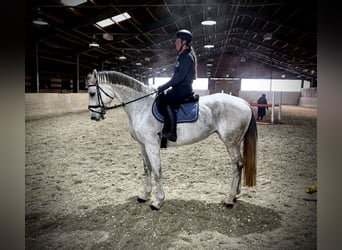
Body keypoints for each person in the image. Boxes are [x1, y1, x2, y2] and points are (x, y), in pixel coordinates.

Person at [157, 29, 198, 142]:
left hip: (183, 90)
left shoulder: (187, 57)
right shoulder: (182, 56)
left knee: (165, 99)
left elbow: (179, 77)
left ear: (184, 42)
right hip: (179, 88)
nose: (175, 43)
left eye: (177, 41)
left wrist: (164, 87)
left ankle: (171, 132)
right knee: (161, 97)